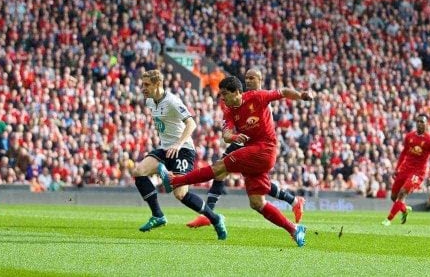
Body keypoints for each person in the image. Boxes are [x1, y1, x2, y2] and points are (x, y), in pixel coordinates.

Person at [158, 70, 311, 247]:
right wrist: (233, 137)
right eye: (221, 95)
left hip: (265, 148)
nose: (222, 98)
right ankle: (294, 229)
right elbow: (226, 133)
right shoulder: (229, 110)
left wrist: (301, 96)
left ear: (237, 92)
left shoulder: (257, 97)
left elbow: (283, 92)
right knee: (257, 202)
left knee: (219, 167)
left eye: (225, 94)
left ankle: (176, 180)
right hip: (251, 150)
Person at [186, 73, 306, 228]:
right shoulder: (241, 99)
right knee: (233, 173)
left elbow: (282, 94)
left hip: (258, 145)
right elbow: (229, 127)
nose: (248, 80)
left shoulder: (261, 97)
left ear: (260, 80)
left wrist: (300, 96)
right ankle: (294, 201)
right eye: (247, 78)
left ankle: (208, 213)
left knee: (224, 170)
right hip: (243, 141)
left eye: (252, 78)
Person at [132, 69, 227, 240]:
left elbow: (191, 124)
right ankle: (158, 215)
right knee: (139, 171)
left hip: (183, 150)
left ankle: (215, 218)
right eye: (142, 84)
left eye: (147, 85)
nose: (143, 88)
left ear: (157, 84)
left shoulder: (173, 102)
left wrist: (178, 143)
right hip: (165, 149)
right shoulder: (150, 102)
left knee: (180, 194)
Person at [382, 114, 430, 225]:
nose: (419, 123)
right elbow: (404, 153)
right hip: (405, 169)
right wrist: (397, 168)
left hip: (418, 173)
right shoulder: (409, 137)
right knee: (394, 197)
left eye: (422, 122)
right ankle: (404, 209)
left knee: (402, 193)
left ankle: (388, 220)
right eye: (418, 121)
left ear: (427, 124)